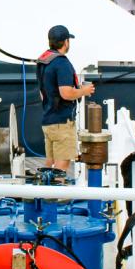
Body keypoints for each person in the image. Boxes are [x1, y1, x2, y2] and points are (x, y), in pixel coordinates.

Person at [36, 24, 94, 171]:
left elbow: (43, 93)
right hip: (62, 123)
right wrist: (84, 91)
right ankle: (57, 187)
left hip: (48, 121)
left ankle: (45, 187)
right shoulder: (62, 63)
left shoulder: (44, 61)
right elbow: (66, 93)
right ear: (66, 42)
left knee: (49, 166)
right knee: (61, 168)